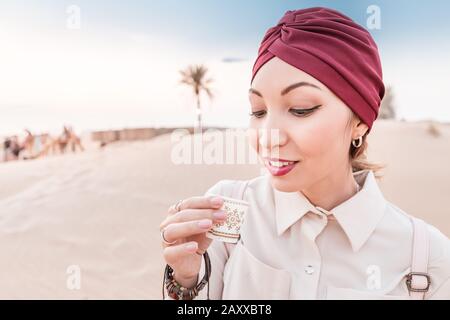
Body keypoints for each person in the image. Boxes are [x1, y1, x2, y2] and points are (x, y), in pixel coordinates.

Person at [159, 7, 450, 300]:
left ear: (360, 123)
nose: (269, 136)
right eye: (258, 111)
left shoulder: (427, 259)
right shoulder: (230, 210)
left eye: (301, 109)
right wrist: (186, 280)